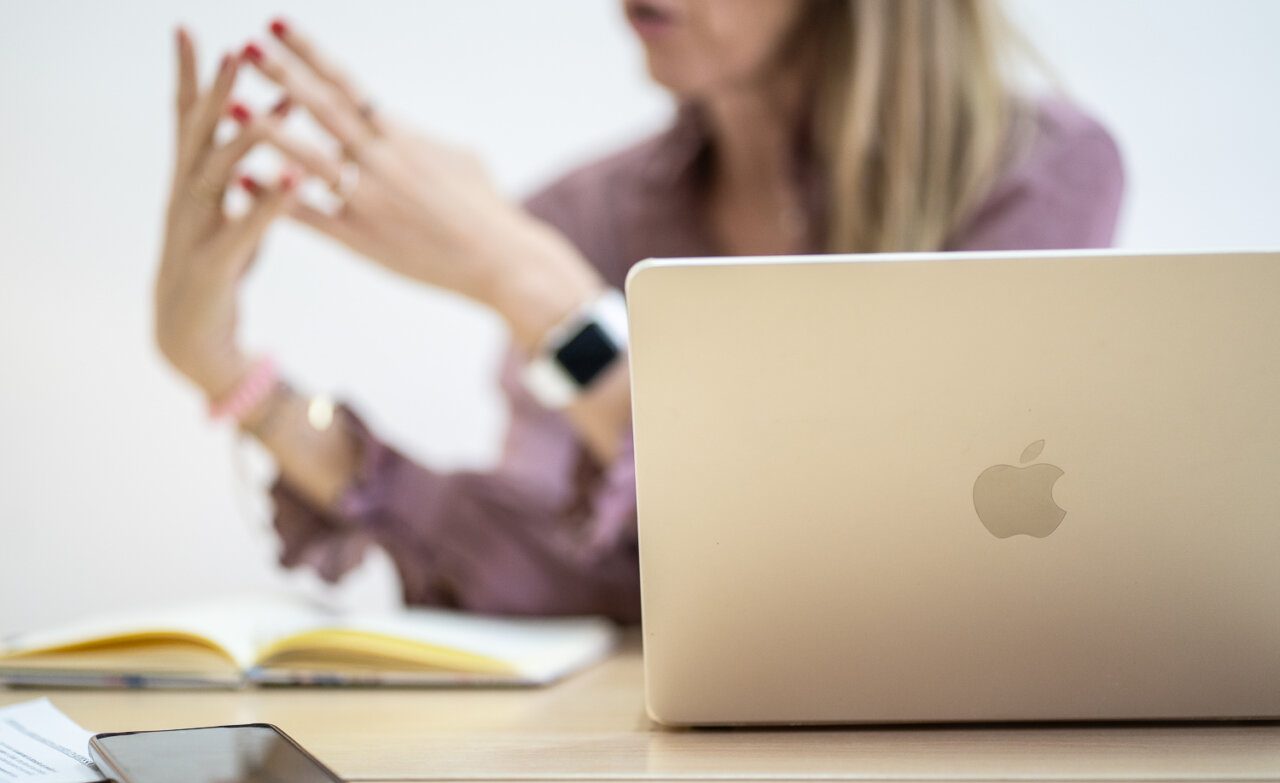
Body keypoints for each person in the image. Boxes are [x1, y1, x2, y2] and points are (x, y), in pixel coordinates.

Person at [153, 1, 1124, 624]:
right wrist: (228, 373)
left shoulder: (1035, 175)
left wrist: (547, 301)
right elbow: (552, 573)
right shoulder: (587, 215)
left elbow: (885, 564)